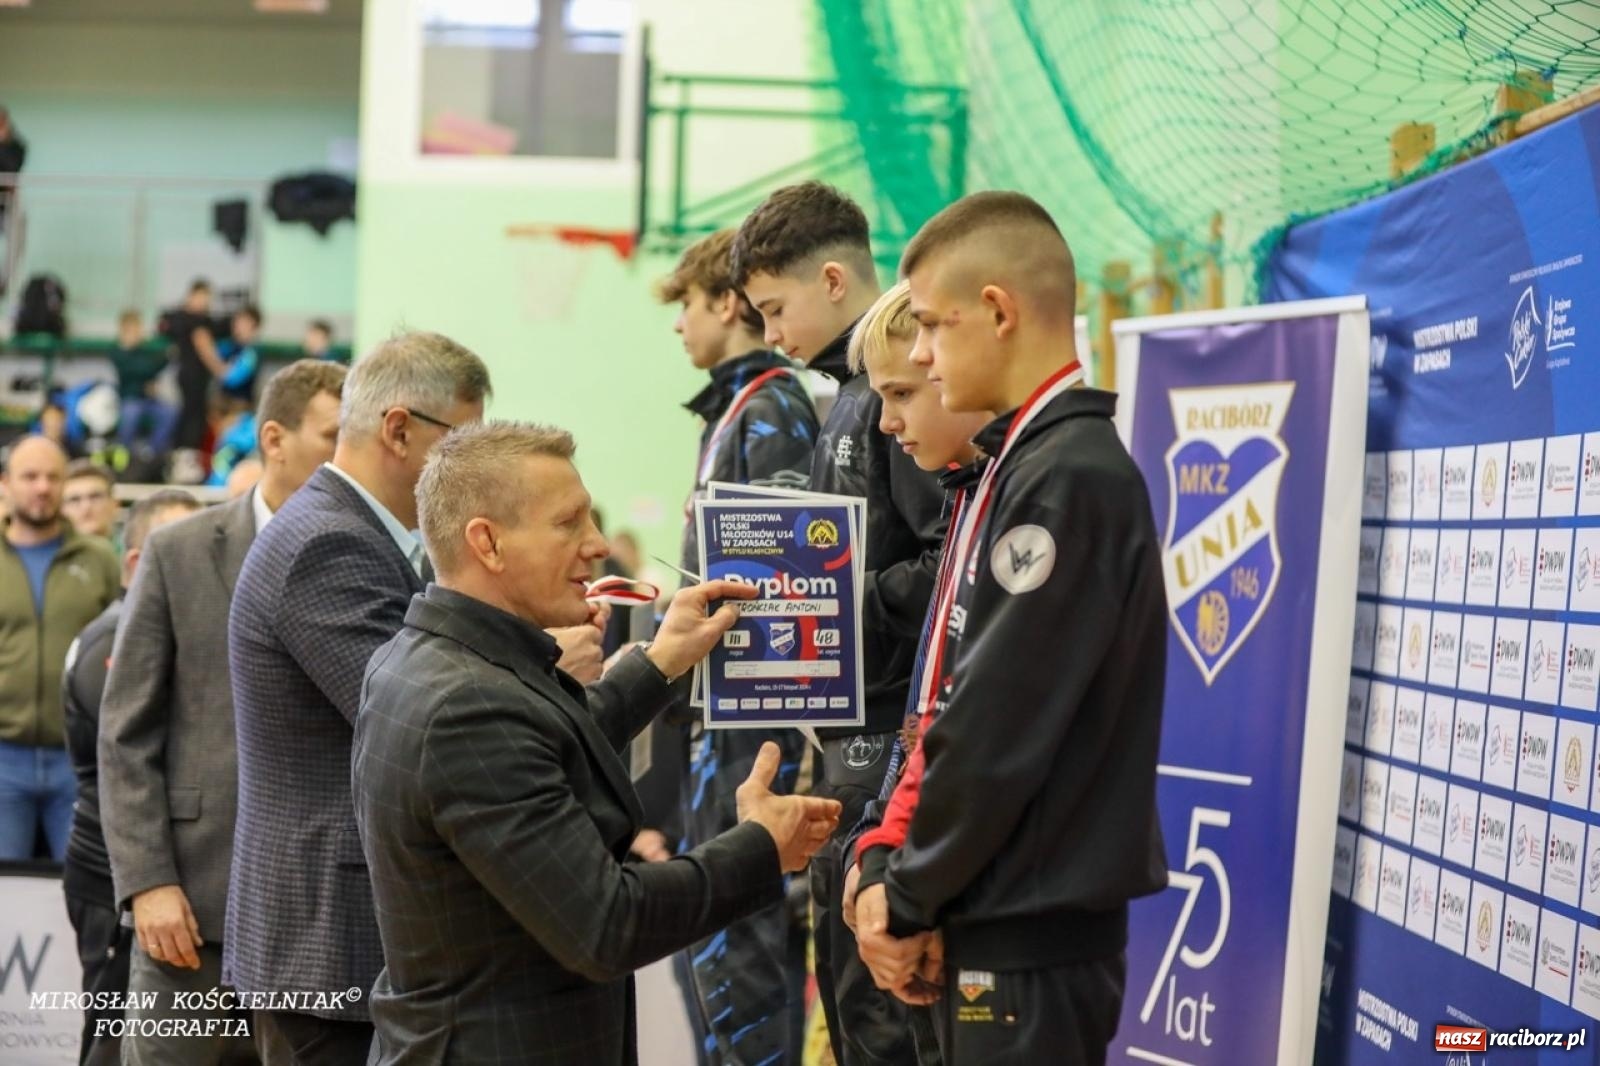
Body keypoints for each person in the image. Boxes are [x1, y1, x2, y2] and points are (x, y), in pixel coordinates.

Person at [353, 420, 843, 1066]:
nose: (598, 544)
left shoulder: (429, 657)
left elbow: (544, 740)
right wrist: (761, 846)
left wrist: (661, 661)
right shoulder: (467, 708)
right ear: (488, 543)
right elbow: (609, 925)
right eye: (569, 523)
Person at [850, 192, 1169, 1066]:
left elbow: (997, 724)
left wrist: (905, 896)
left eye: (929, 325)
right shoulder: (1017, 466)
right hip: (994, 912)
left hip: (1031, 936)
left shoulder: (1067, 478)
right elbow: (958, 704)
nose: (920, 352)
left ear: (996, 312)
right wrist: (894, 867)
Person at [732, 180, 946, 1066]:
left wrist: (837, 602)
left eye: (774, 310)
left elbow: (950, 568)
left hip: (893, 744)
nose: (771, 335)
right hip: (847, 735)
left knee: (882, 1017)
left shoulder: (896, 398)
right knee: (852, 1011)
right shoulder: (845, 398)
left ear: (831, 280)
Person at [100, 359, 346, 1066]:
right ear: (274, 439)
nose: (349, 453)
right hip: (190, 907)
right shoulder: (178, 552)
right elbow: (125, 734)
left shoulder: (375, 561)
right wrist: (147, 881)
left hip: (322, 919)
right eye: (333, 435)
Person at [655, 227, 819, 1064]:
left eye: (686, 303)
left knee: (742, 956)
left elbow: (785, 593)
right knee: (709, 952)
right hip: (717, 728)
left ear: (726, 304)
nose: (677, 322)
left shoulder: (774, 406)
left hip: (753, 733)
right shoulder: (733, 408)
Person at [62, 488, 201, 1066]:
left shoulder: (158, 630)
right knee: (112, 1033)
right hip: (110, 874)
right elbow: (128, 757)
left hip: (145, 868)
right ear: (139, 561)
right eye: (185, 550)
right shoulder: (112, 638)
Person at [0, 436, 119, 860]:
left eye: (53, 477)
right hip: (4, 759)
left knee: (83, 885)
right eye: (30, 476)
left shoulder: (99, 559)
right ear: (5, 484)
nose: (42, 487)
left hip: (79, 760)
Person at [161, 280, 227, 470]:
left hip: (200, 378)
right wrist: (221, 370)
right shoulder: (186, 320)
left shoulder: (205, 320)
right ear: (191, 296)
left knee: (197, 415)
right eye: (201, 297)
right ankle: (184, 457)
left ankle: (187, 457)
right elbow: (203, 345)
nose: (204, 302)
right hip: (189, 376)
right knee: (191, 416)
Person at [110, 310, 179, 457]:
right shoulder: (117, 352)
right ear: (124, 331)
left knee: (170, 412)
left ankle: (151, 454)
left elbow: (151, 370)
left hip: (148, 400)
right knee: (131, 414)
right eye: (134, 330)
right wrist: (164, 357)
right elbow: (144, 369)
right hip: (129, 400)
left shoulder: (143, 351)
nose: (138, 333)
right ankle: (123, 454)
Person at [61, 460, 118, 541]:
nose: (86, 506)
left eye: (95, 497)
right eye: (75, 499)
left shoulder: (134, 548)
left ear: (115, 504)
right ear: (61, 510)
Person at [218, 306, 262, 404]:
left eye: (243, 321)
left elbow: (233, 379)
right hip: (223, 402)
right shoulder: (227, 345)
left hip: (241, 405)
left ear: (253, 325)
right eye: (236, 320)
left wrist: (209, 357)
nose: (237, 324)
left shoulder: (252, 352)